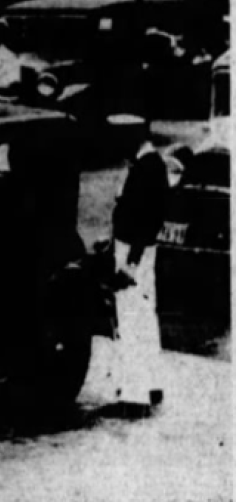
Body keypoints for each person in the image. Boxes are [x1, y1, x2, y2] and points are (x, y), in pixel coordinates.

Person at [109, 127, 170, 416]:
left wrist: (130, 262)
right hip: (140, 251)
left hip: (135, 253)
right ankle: (152, 384)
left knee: (132, 319)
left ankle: (134, 396)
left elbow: (145, 220)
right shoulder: (151, 166)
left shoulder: (145, 170)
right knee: (146, 316)